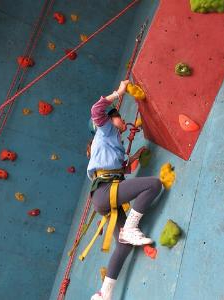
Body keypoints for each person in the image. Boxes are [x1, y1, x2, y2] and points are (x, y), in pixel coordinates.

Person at [88, 80, 163, 300]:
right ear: (111, 119)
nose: (123, 119)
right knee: (153, 184)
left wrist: (133, 158)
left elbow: (122, 170)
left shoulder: (114, 142)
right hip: (105, 191)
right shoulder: (104, 132)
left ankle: (103, 294)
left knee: (124, 245)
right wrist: (118, 92)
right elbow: (96, 110)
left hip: (104, 196)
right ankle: (131, 227)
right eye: (119, 116)